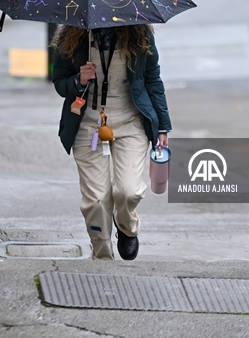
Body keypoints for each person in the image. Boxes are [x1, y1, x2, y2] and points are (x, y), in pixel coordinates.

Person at [52, 25, 172, 260]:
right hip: (88, 124)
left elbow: (152, 80)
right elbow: (59, 82)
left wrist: (162, 127)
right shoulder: (72, 36)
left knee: (128, 191)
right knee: (96, 200)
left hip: (131, 122)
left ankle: (126, 226)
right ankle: (102, 255)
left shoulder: (139, 34)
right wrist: (78, 80)